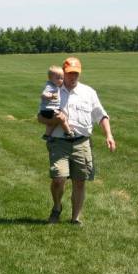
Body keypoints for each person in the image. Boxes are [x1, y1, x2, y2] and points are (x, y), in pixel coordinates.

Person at [37, 57, 116, 225]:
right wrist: (56, 120)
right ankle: (57, 207)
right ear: (63, 73)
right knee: (58, 178)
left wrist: (109, 135)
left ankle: (75, 218)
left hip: (82, 143)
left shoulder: (88, 92)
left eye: (76, 73)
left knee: (80, 182)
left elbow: (101, 115)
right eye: (69, 73)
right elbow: (40, 117)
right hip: (59, 142)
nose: (73, 77)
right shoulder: (54, 91)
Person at [39, 65, 74, 140]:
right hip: (49, 110)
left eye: (62, 78)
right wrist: (50, 96)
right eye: (58, 78)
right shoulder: (50, 86)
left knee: (53, 122)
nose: (60, 80)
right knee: (62, 118)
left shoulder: (55, 85)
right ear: (50, 78)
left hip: (48, 110)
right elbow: (43, 94)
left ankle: (47, 135)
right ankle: (68, 133)